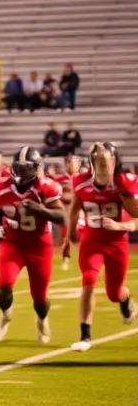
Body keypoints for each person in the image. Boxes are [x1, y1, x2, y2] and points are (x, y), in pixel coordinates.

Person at [62, 142, 138, 351]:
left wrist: (120, 225)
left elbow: (137, 216)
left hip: (117, 242)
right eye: (99, 161)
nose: (104, 165)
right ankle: (85, 336)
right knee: (88, 281)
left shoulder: (124, 182)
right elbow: (74, 210)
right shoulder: (81, 182)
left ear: (116, 161)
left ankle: (125, 299)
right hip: (92, 240)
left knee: (114, 293)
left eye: (107, 161)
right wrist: (68, 237)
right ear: (92, 163)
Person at [0, 148, 65, 344]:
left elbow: (62, 217)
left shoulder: (46, 188)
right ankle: (5, 315)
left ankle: (42, 319)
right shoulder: (3, 187)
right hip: (13, 243)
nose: (22, 174)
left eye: (27, 169)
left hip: (40, 246)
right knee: (3, 287)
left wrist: (41, 209)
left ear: (37, 169)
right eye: (19, 168)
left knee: (40, 299)